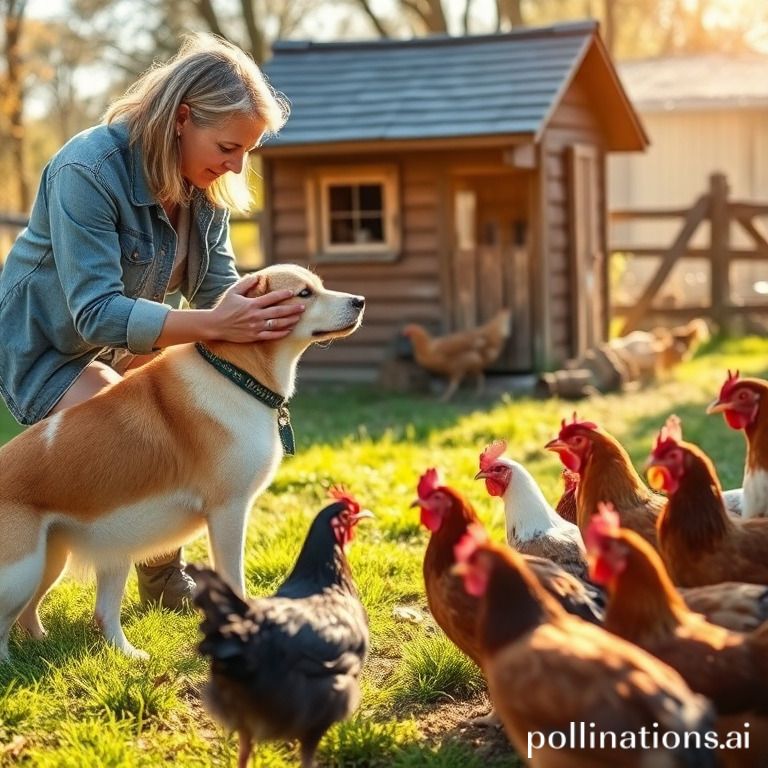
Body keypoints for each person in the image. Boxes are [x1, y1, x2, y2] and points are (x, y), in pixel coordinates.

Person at [0, 33, 304, 609]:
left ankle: (156, 579)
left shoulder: (206, 187)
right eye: (228, 146)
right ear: (182, 118)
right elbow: (94, 313)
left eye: (248, 152)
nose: (237, 165)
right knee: (131, 424)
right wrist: (217, 324)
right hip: (49, 346)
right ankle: (159, 578)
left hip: (130, 337)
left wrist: (272, 311)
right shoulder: (86, 170)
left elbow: (216, 291)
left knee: (185, 410)